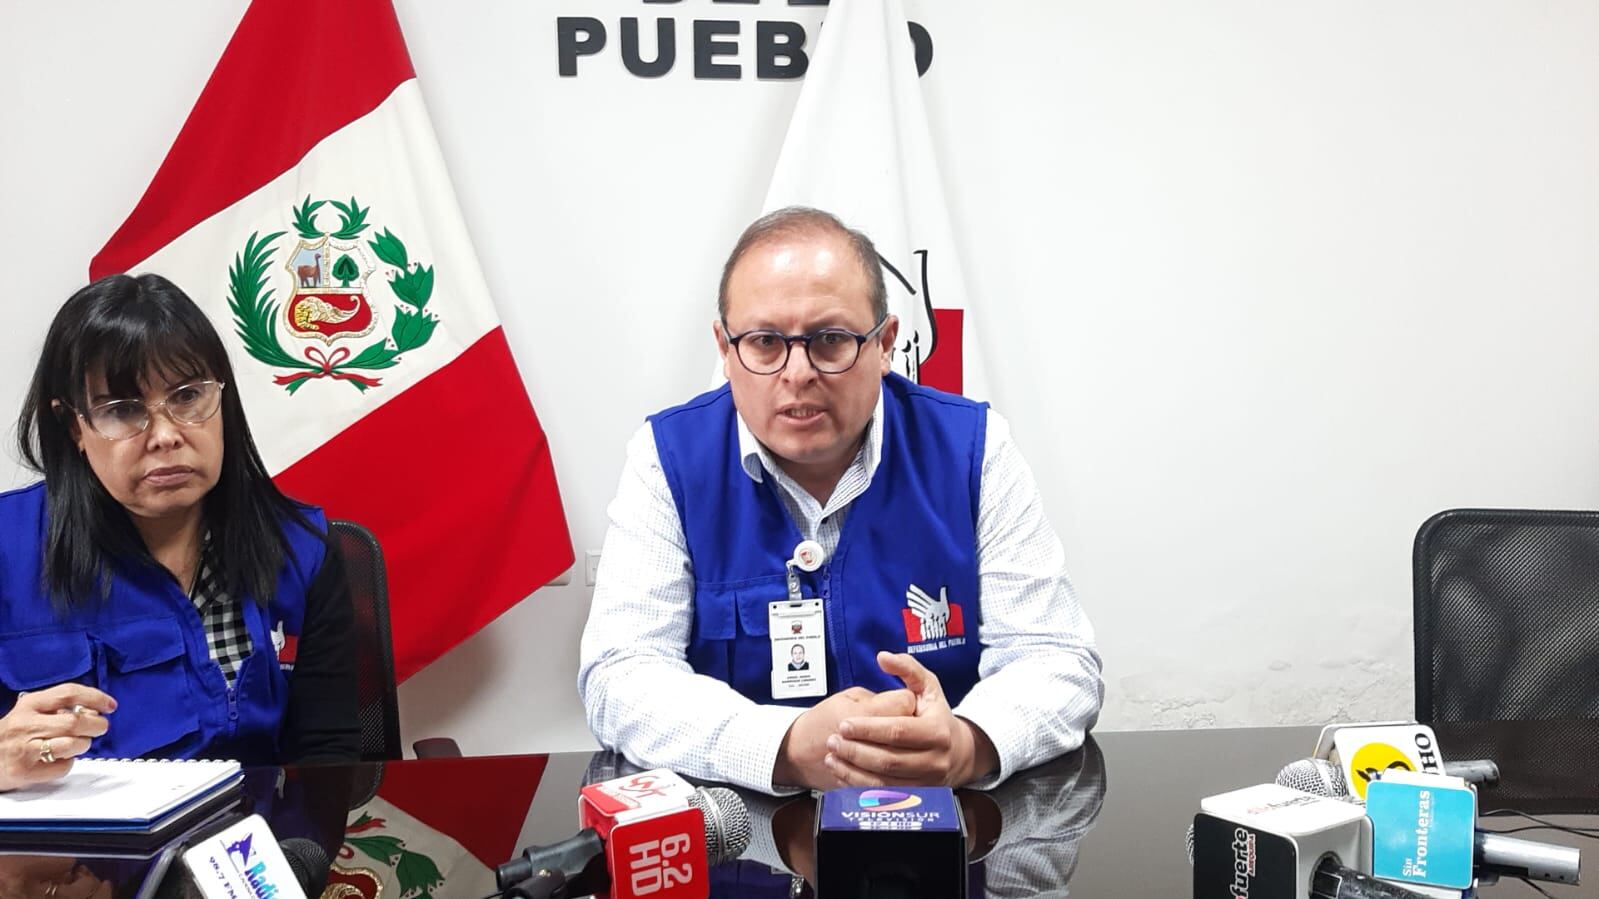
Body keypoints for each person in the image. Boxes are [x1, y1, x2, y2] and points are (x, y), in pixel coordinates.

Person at [578, 207, 1103, 794]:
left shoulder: (973, 450)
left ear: (884, 344)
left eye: (830, 341)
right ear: (724, 350)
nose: (797, 373)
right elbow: (620, 676)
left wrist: (969, 742)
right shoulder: (668, 459)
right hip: (746, 851)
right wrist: (785, 748)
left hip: (947, 836)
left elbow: (1058, 659)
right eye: (764, 342)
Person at [0, 273, 359, 791]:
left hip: (251, 846)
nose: (166, 436)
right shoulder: (9, 551)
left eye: (187, 396)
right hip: (75, 860)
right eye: (122, 410)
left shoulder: (300, 548)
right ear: (73, 427)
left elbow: (328, 760)